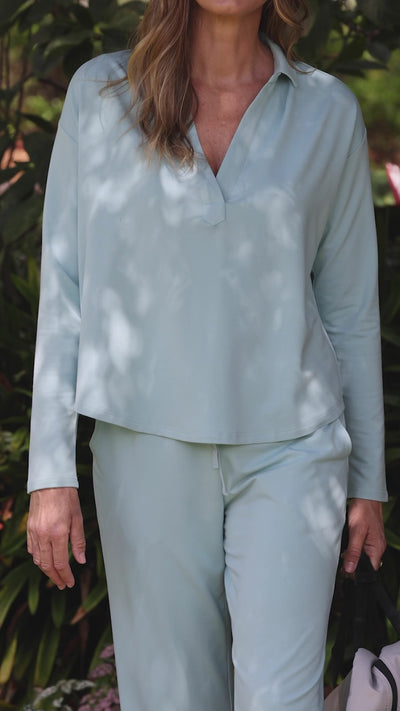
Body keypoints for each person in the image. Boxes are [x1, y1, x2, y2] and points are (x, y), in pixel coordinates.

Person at [26, 0, 388, 709]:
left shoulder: (328, 111)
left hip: (294, 449)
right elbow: (64, 290)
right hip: (145, 451)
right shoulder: (101, 96)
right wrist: (50, 472)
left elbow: (350, 310)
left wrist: (367, 479)